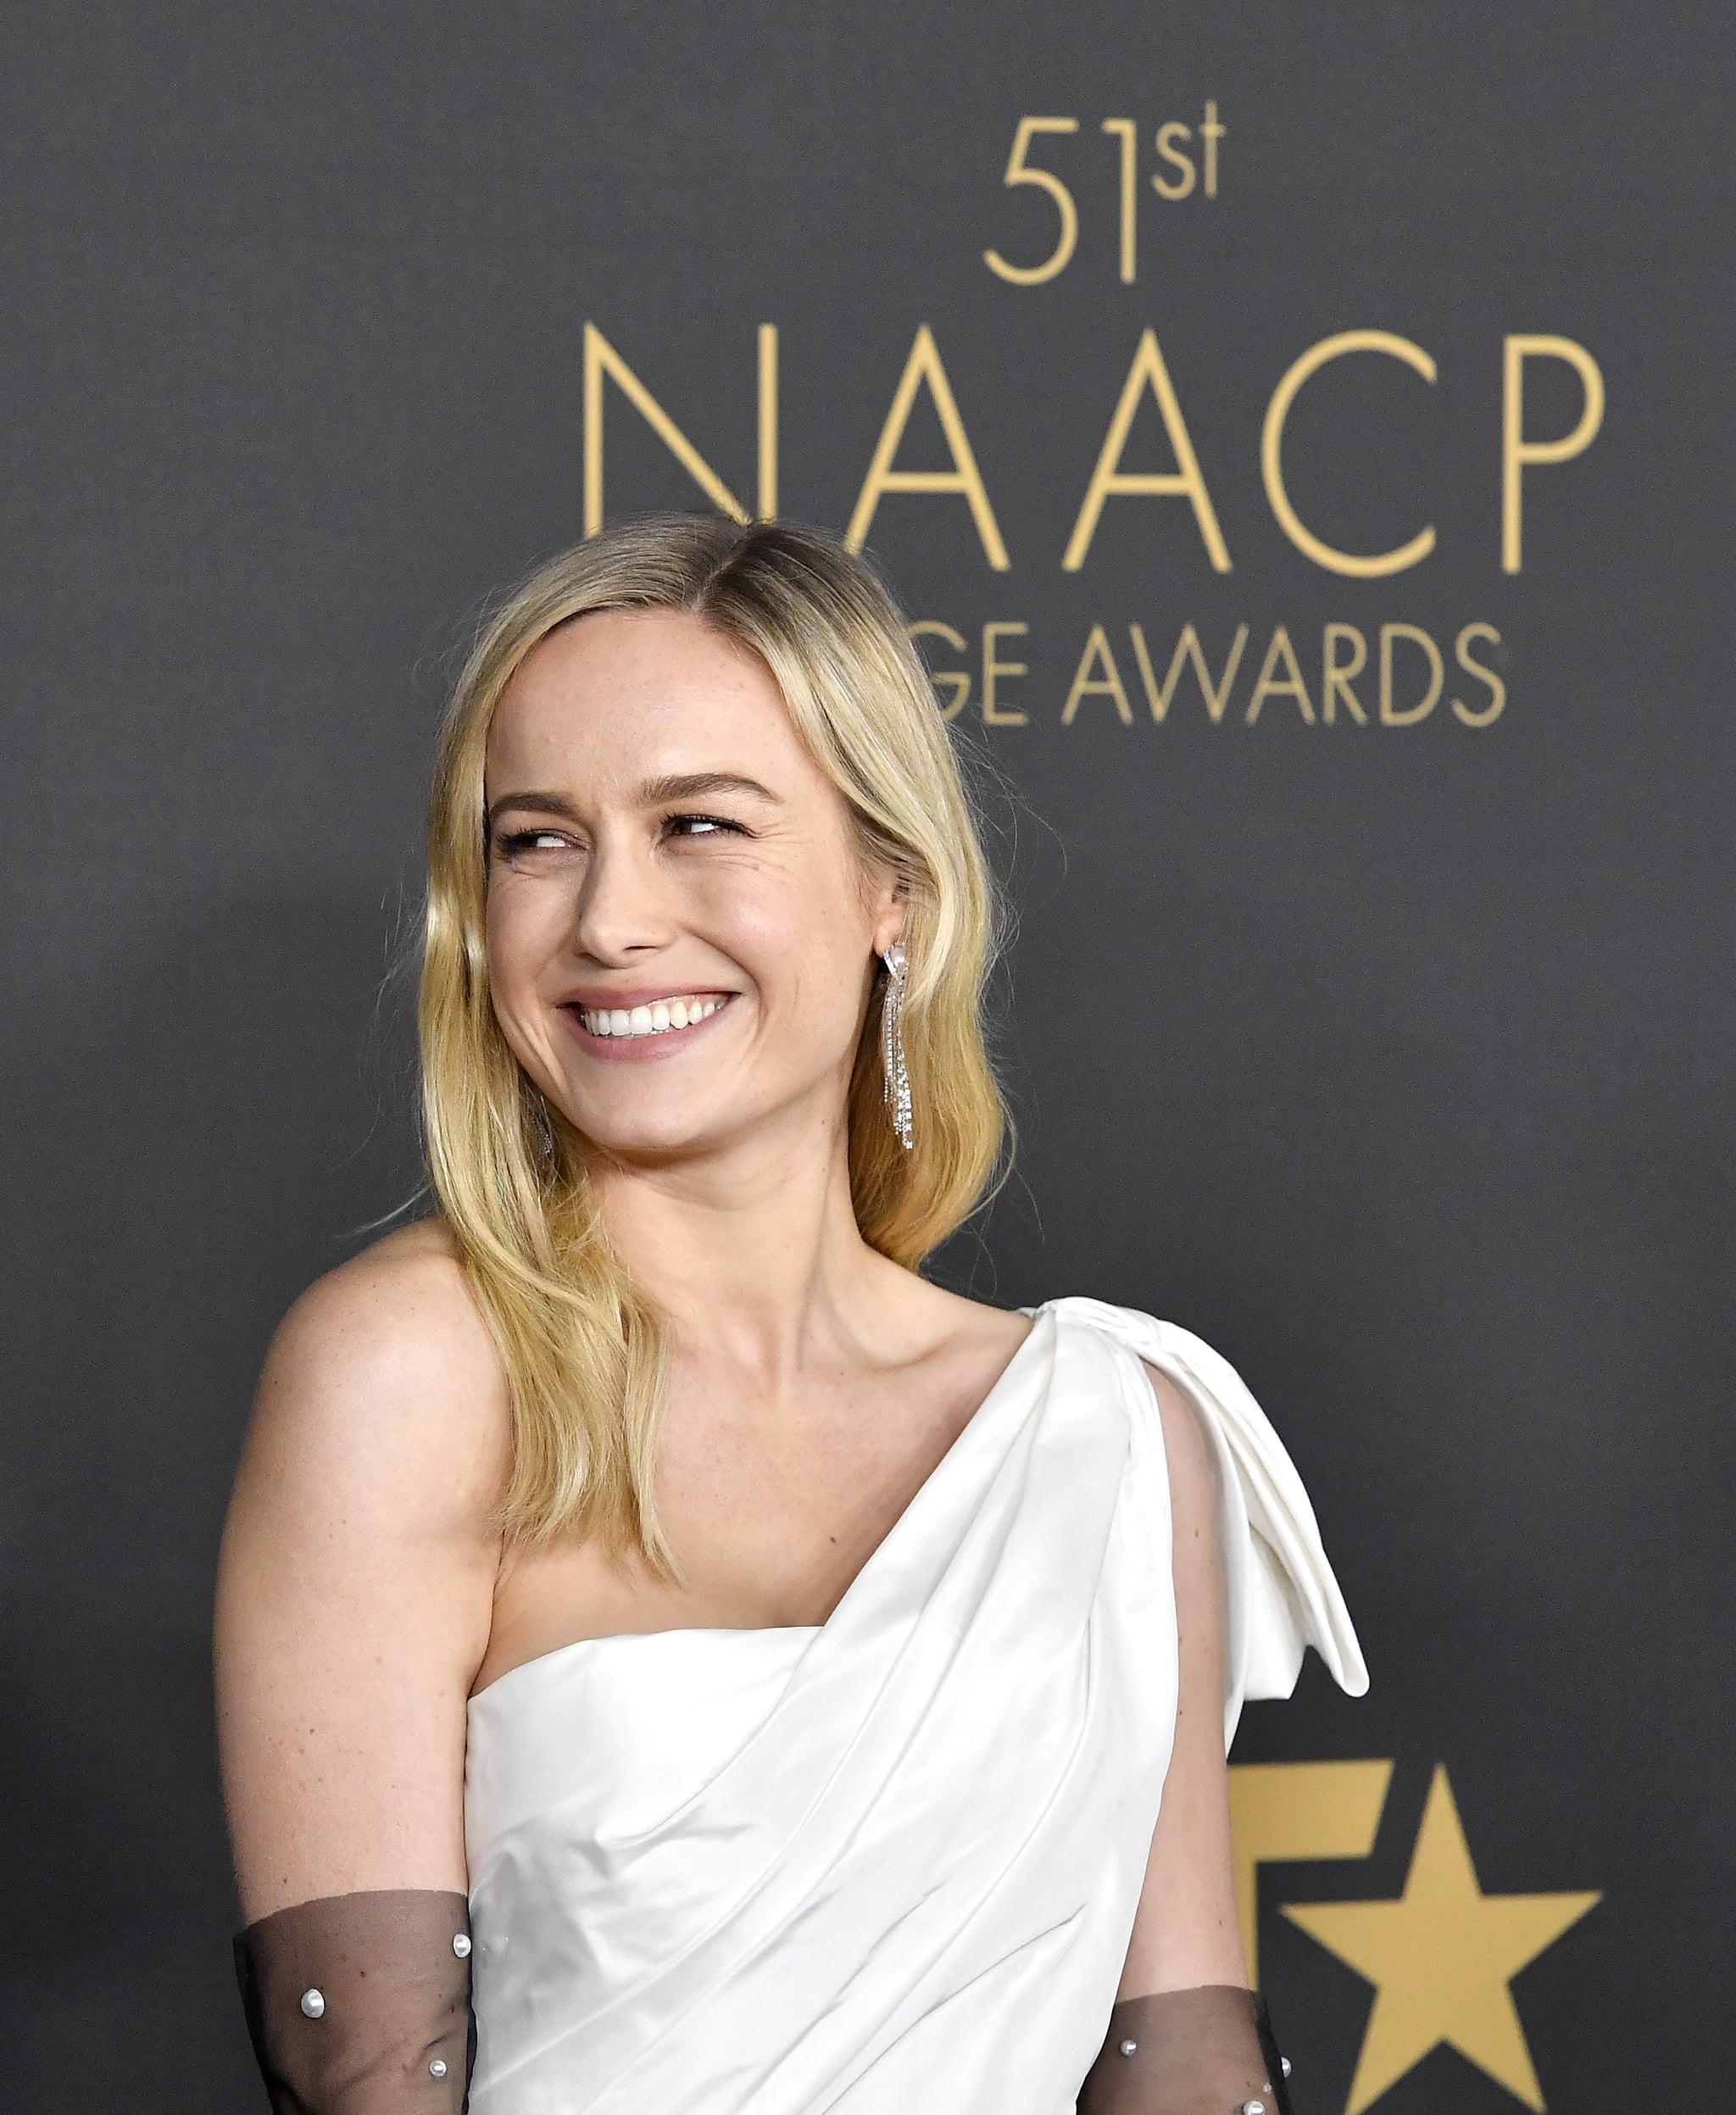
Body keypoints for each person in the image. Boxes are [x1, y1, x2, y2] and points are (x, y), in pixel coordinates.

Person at [214, 513, 1367, 2115]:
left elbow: (1182, 2061)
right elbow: (362, 2073)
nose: (609, 920)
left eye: (698, 824)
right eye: (537, 839)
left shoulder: (1115, 1428)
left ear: (892, 886)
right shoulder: (411, 1376)